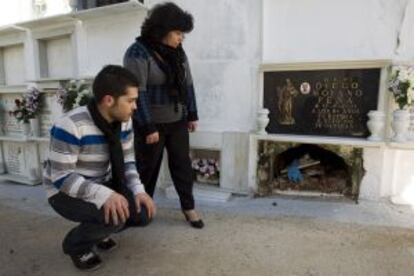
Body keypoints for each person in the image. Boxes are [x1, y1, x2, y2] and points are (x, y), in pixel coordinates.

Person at [43, 65, 156, 271]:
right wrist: (104, 195)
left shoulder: (125, 121)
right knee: (114, 218)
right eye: (130, 100)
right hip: (63, 192)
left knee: (142, 213)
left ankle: (100, 231)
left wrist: (139, 191)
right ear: (109, 100)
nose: (135, 107)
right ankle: (76, 245)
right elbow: (61, 177)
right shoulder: (71, 125)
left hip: (101, 182)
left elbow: (128, 162)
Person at [123, 2, 204, 229]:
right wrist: (148, 126)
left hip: (177, 120)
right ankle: (141, 209)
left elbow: (187, 84)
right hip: (152, 124)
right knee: (146, 169)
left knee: (182, 167)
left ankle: (189, 208)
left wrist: (192, 114)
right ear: (163, 30)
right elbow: (137, 93)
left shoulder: (178, 52)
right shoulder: (138, 52)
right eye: (178, 33)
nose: (181, 38)